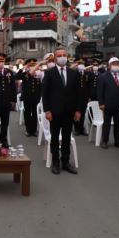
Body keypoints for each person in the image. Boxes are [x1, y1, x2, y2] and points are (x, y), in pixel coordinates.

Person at [41, 47, 81, 175]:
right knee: (54, 138)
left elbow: (78, 94)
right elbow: (45, 94)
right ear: (55, 57)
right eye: (59, 55)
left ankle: (66, 162)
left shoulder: (73, 73)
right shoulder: (49, 73)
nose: (62, 57)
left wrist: (78, 111)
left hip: (69, 112)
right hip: (54, 112)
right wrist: (47, 111)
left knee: (66, 138)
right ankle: (56, 162)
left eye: (64, 55)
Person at [97, 57, 119, 149]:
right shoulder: (103, 76)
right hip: (107, 104)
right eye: (114, 64)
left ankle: (118, 141)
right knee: (106, 123)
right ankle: (105, 140)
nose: (116, 65)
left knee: (118, 123)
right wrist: (101, 103)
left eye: (117, 64)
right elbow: (100, 91)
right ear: (109, 65)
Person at [0, 53, 17, 147]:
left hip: (6, 101)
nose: (1, 63)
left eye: (2, 61)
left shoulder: (9, 72)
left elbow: (13, 87)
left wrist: (13, 101)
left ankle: (3, 138)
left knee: (5, 122)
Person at [16, 59, 42, 137]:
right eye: (30, 65)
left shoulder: (39, 74)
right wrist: (23, 68)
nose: (32, 66)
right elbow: (16, 76)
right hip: (27, 97)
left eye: (33, 65)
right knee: (27, 113)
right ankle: (28, 130)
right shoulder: (25, 74)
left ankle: (34, 130)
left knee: (34, 113)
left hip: (36, 97)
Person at [74, 59, 89, 136]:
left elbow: (88, 85)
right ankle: (76, 128)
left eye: (82, 63)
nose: (81, 65)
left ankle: (81, 129)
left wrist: (88, 96)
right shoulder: (74, 73)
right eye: (79, 63)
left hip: (84, 97)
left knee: (83, 113)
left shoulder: (86, 73)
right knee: (76, 112)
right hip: (76, 96)